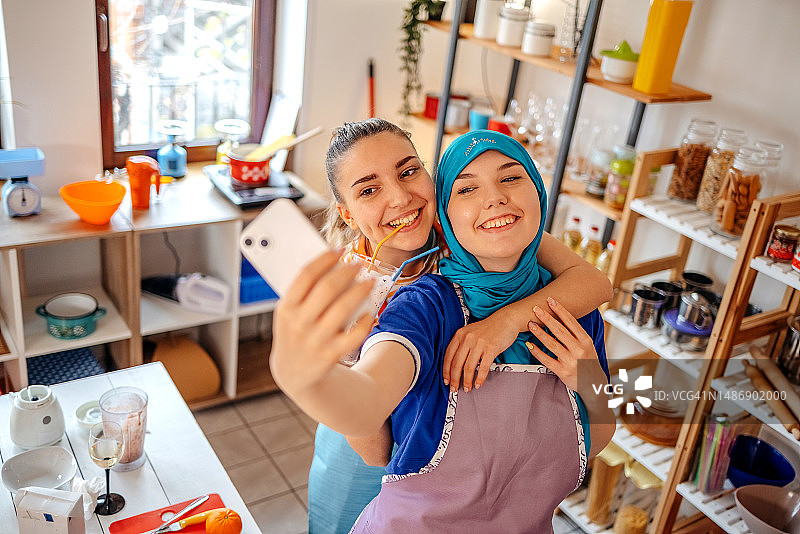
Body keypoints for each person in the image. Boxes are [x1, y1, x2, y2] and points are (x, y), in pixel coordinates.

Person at [292, 120, 613, 533]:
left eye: (408, 172)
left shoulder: (469, 226)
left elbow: (594, 283)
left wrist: (507, 323)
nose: (401, 198)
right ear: (346, 212)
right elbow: (374, 449)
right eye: (369, 190)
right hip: (358, 449)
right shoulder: (356, 292)